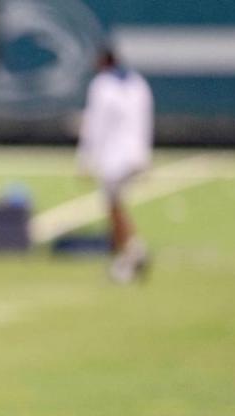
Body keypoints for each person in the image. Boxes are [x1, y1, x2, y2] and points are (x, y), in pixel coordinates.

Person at [77, 46, 154, 283]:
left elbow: (95, 125)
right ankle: (126, 256)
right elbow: (146, 119)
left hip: (115, 157)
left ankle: (132, 253)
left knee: (114, 206)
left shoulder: (101, 86)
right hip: (136, 154)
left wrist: (84, 159)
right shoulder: (138, 83)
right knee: (116, 205)